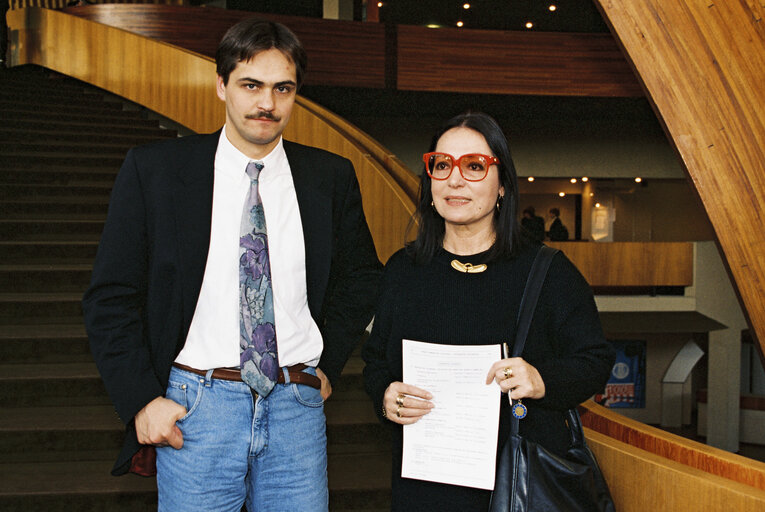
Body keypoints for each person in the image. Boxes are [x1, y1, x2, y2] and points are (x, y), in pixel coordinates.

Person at [83, 18, 382, 511]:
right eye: (251, 85)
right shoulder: (155, 171)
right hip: (196, 406)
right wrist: (140, 399)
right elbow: (110, 297)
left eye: (282, 88)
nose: (267, 103)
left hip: (296, 407)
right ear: (222, 85)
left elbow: (362, 277)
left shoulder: (329, 176)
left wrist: (328, 363)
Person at [362, 112, 615, 511]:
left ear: (503, 186)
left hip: (516, 488)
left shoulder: (547, 271)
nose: (455, 179)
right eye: (442, 165)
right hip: (424, 486)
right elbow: (376, 361)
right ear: (429, 182)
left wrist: (540, 379)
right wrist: (385, 396)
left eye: (475, 166)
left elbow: (595, 360)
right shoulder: (403, 271)